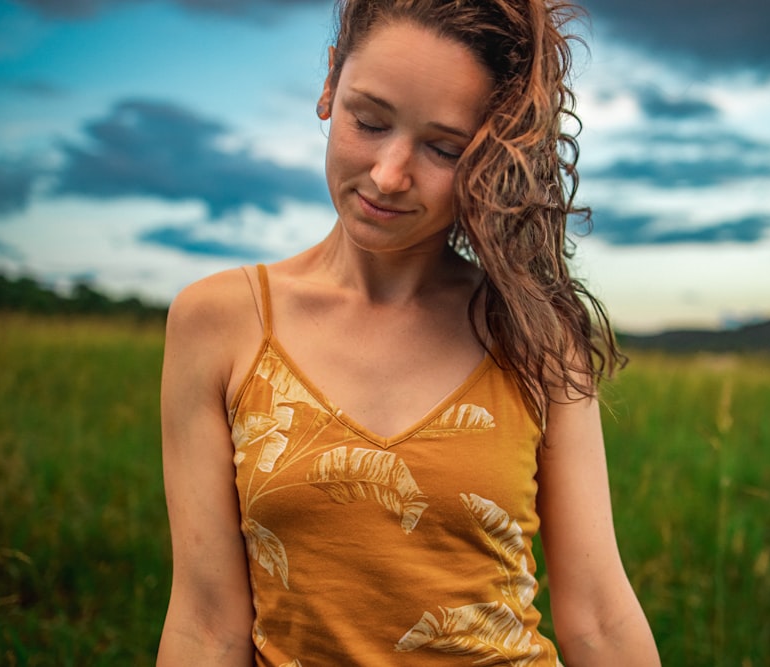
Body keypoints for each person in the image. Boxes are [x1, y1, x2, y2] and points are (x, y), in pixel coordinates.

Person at [157, 0, 660, 664]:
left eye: (443, 147)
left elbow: (597, 614)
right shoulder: (220, 322)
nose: (390, 175)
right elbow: (206, 622)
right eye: (369, 121)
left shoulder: (532, 334)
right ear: (329, 85)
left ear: (489, 154)